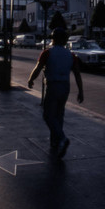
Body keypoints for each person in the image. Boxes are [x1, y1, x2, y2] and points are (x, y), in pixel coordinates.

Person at [28, 28, 84, 158]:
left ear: (53, 39)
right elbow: (77, 74)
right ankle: (55, 141)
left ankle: (62, 138)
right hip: (65, 86)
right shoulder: (71, 55)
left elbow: (38, 68)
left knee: (48, 115)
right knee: (59, 114)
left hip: (52, 85)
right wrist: (81, 91)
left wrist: (31, 79)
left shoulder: (47, 53)